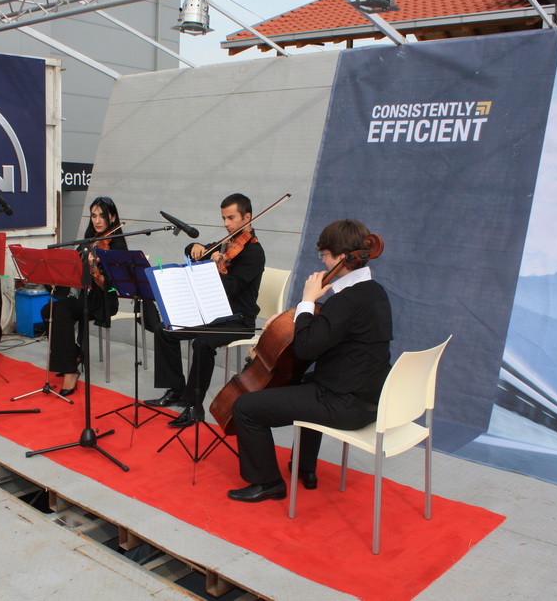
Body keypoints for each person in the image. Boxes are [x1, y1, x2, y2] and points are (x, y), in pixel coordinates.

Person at [227, 219, 393, 502]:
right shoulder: (375, 292)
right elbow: (335, 331)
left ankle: (268, 483)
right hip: (372, 399)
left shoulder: (346, 300)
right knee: (304, 380)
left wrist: (306, 301)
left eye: (324, 254)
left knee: (244, 407)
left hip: (344, 405)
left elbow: (305, 348)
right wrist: (291, 319)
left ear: (342, 258)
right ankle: (305, 468)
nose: (323, 261)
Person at [145, 193, 265, 428]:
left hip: (239, 320)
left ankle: (194, 406)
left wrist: (215, 267)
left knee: (203, 343)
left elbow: (232, 287)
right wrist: (196, 247)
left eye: (231, 218)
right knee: (164, 329)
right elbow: (191, 249)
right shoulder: (227, 243)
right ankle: (177, 390)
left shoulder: (254, 252)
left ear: (247, 217)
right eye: (224, 218)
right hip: (213, 314)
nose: (226, 224)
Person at [42, 196, 126, 395]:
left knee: (61, 311)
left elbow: (112, 288)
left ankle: (70, 371)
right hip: (81, 297)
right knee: (48, 310)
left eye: (102, 216)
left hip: (101, 301)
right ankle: (74, 355)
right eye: (93, 216)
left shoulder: (117, 247)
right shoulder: (88, 241)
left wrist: (94, 271)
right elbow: (74, 272)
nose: (97, 220)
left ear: (113, 217)